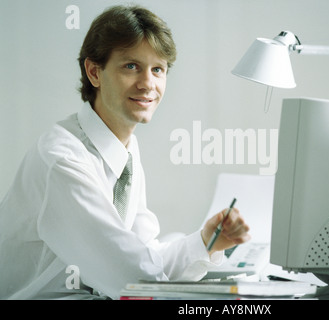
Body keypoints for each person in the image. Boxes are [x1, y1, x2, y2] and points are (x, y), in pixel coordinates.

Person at [0, 5, 250, 300]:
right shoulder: (63, 160)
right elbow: (135, 279)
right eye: (131, 66)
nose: (148, 84)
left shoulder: (124, 151)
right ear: (94, 72)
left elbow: (142, 256)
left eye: (158, 69)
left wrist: (206, 241)